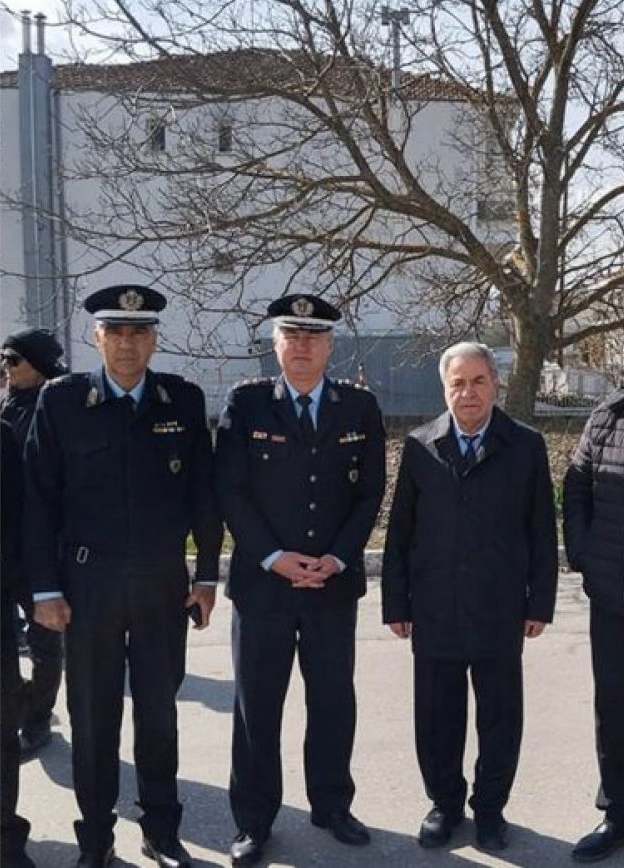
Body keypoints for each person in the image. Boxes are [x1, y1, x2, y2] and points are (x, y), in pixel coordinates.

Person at [24, 284, 223, 868]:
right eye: (116, 332)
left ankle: (161, 829)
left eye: (139, 333)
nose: (128, 344)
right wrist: (44, 589)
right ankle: (96, 837)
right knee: (93, 717)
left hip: (163, 582)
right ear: (97, 337)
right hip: (88, 586)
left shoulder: (180, 400)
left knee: (159, 713)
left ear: (154, 338)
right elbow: (38, 500)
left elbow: (202, 494)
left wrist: (207, 574)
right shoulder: (62, 401)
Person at [214, 293, 386, 865]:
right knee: (257, 708)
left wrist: (337, 557)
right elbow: (230, 490)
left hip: (331, 587)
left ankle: (333, 805)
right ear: (276, 343)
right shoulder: (248, 403)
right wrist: (272, 557)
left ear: (330, 346)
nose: (304, 346)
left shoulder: (358, 408)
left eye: (315, 337)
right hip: (264, 587)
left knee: (334, 702)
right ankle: (255, 821)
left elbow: (368, 495)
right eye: (293, 335)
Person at [382, 342, 558, 852]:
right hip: (434, 606)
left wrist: (538, 602)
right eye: (458, 383)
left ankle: (490, 809)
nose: (468, 392)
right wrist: (397, 602)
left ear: (495, 384)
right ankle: (445, 803)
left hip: (499, 607)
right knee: (437, 716)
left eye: (478, 381)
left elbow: (542, 531)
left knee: (500, 716)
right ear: (445, 388)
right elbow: (400, 532)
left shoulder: (524, 445)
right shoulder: (420, 445)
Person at [563, 300, 624, 863]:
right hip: (614, 604)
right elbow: (576, 487)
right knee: (616, 715)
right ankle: (620, 817)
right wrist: (584, 554)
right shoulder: (609, 414)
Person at [1, 327, 67, 758]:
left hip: (42, 546)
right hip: (5, 543)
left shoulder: (57, 406)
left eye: (13, 360)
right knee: (6, 642)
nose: (5, 369)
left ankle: (38, 717)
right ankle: (16, 703)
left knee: (45, 640)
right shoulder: (7, 405)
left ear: (39, 367)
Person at [0, 418, 35, 868]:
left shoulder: (7, 437)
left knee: (8, 728)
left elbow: (25, 514)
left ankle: (8, 834)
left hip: (9, 593)